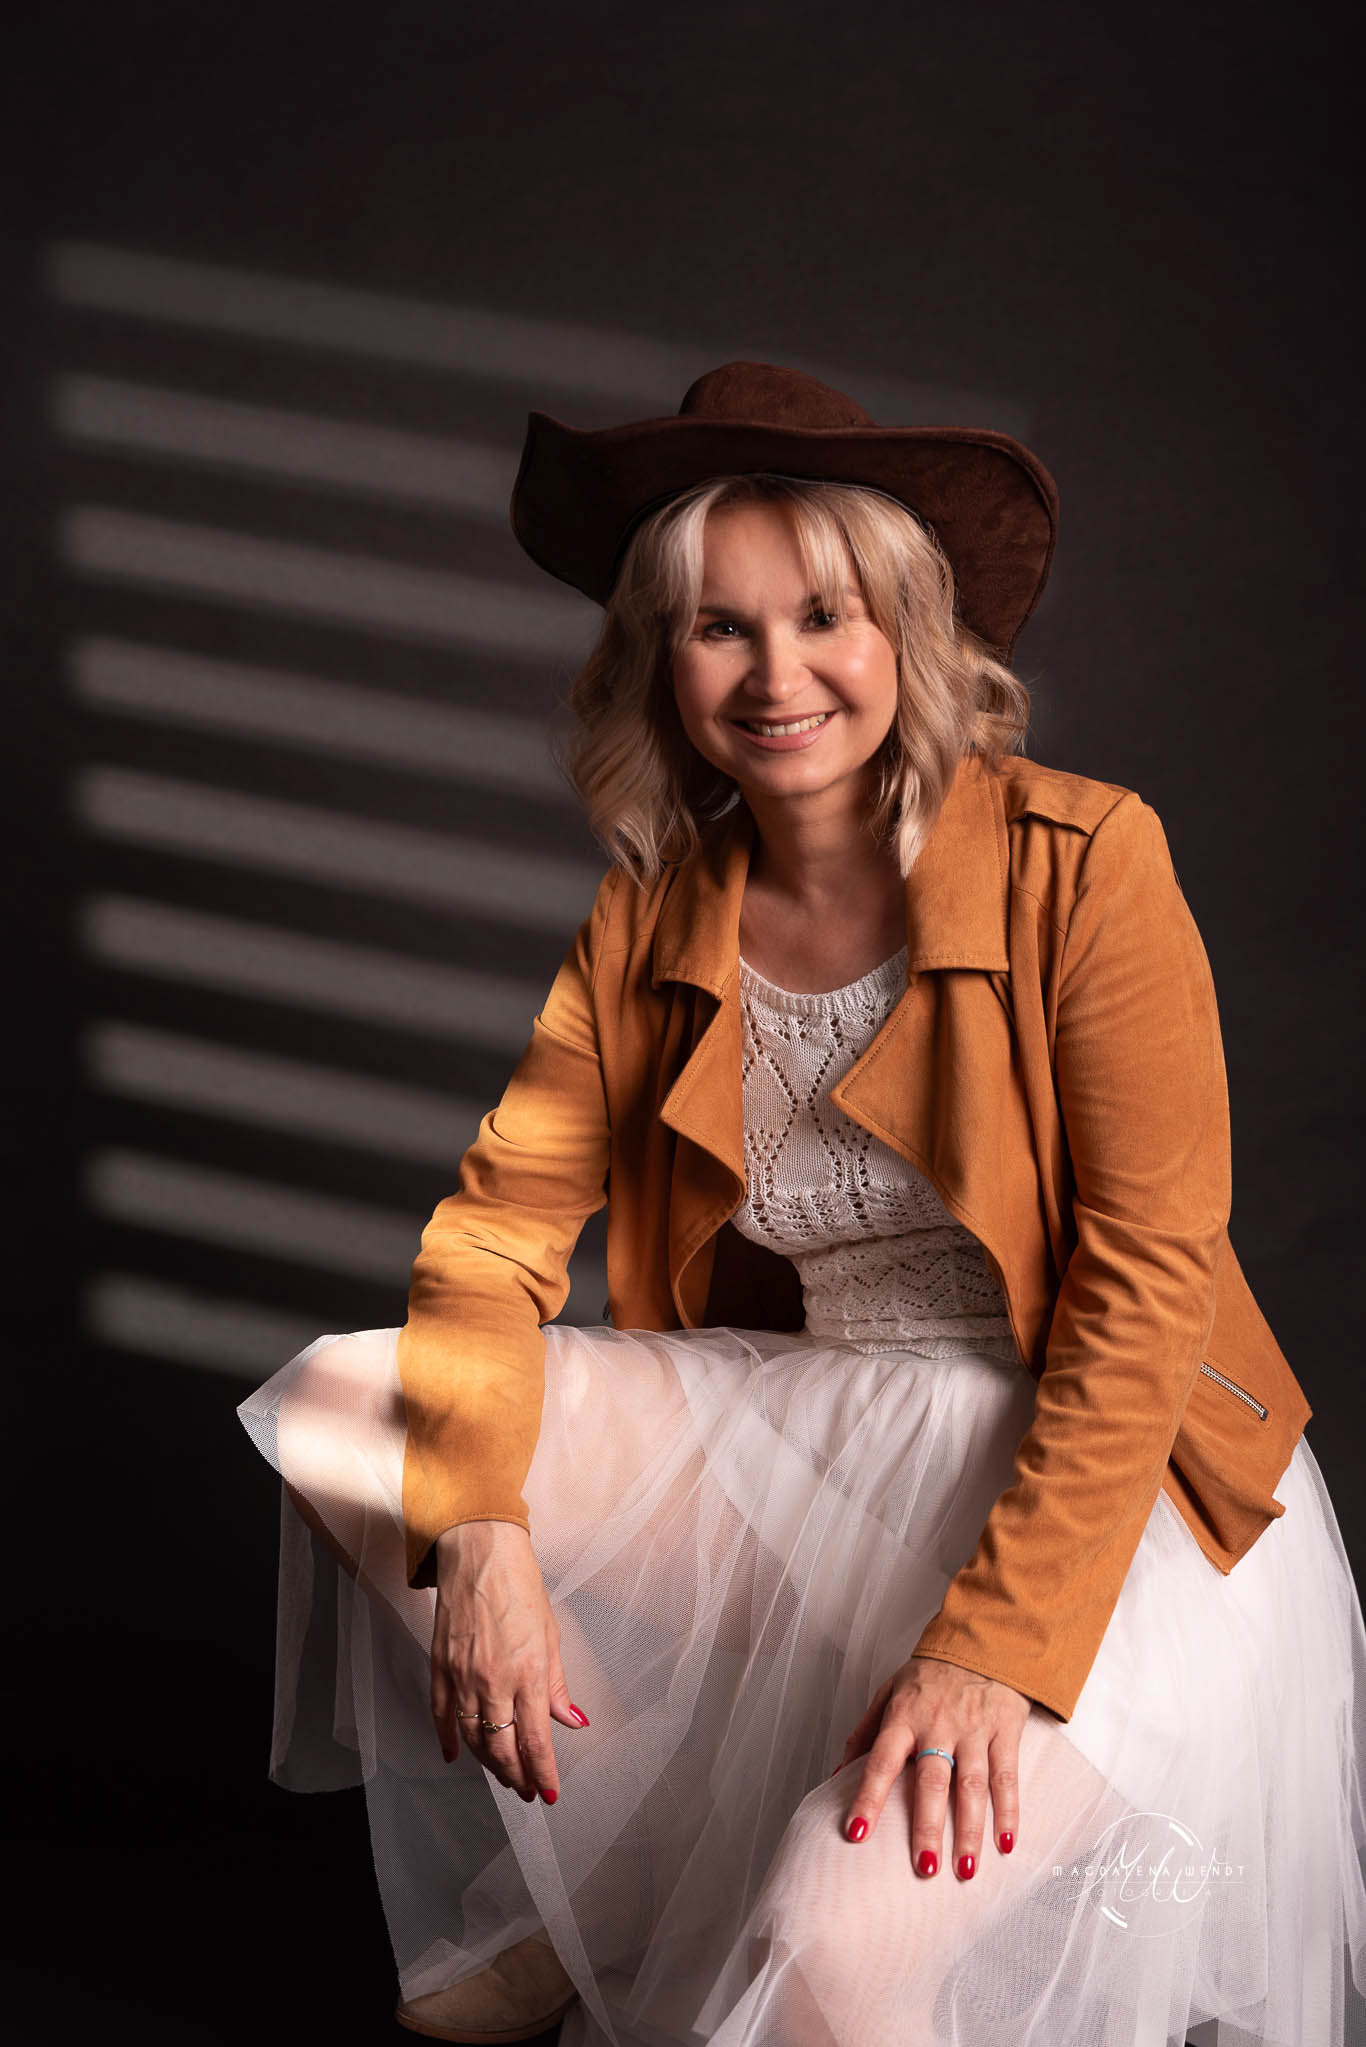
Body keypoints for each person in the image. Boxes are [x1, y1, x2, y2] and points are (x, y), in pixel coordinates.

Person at [238, 362, 1366, 2046]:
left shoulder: (1081, 859)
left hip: (1108, 1496)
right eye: (719, 626)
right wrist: (475, 1530)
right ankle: (619, 1866)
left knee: (828, 1951)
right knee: (352, 1408)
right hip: (826, 1433)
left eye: (824, 616)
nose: (777, 676)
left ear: (906, 629)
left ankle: (698, 1875)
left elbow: (1146, 1288)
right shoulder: (651, 913)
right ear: (659, 657)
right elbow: (490, 1238)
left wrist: (991, 1652)